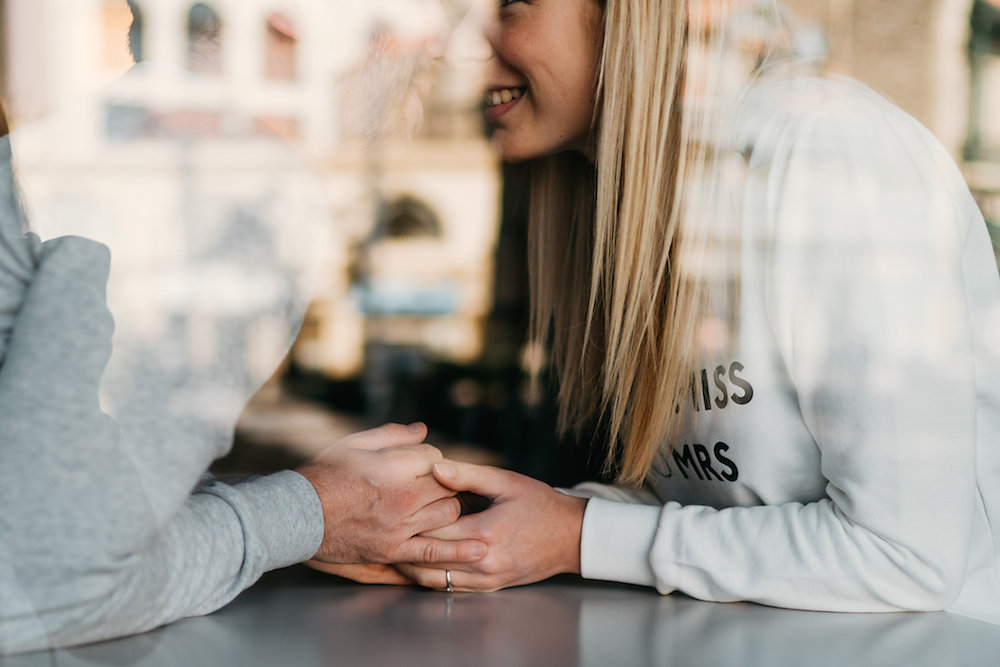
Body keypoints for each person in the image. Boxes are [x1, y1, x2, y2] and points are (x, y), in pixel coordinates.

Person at [371, 0, 1000, 624]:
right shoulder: (639, 202)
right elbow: (712, 513)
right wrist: (468, 531)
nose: (457, 45)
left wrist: (577, 534)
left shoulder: (828, 150)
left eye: (510, 4)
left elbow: (905, 557)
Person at [0, 43, 487, 662]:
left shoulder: (64, 169)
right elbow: (45, 581)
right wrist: (305, 511)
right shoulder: (221, 184)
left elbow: (57, 506)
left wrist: (311, 501)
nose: (460, 43)